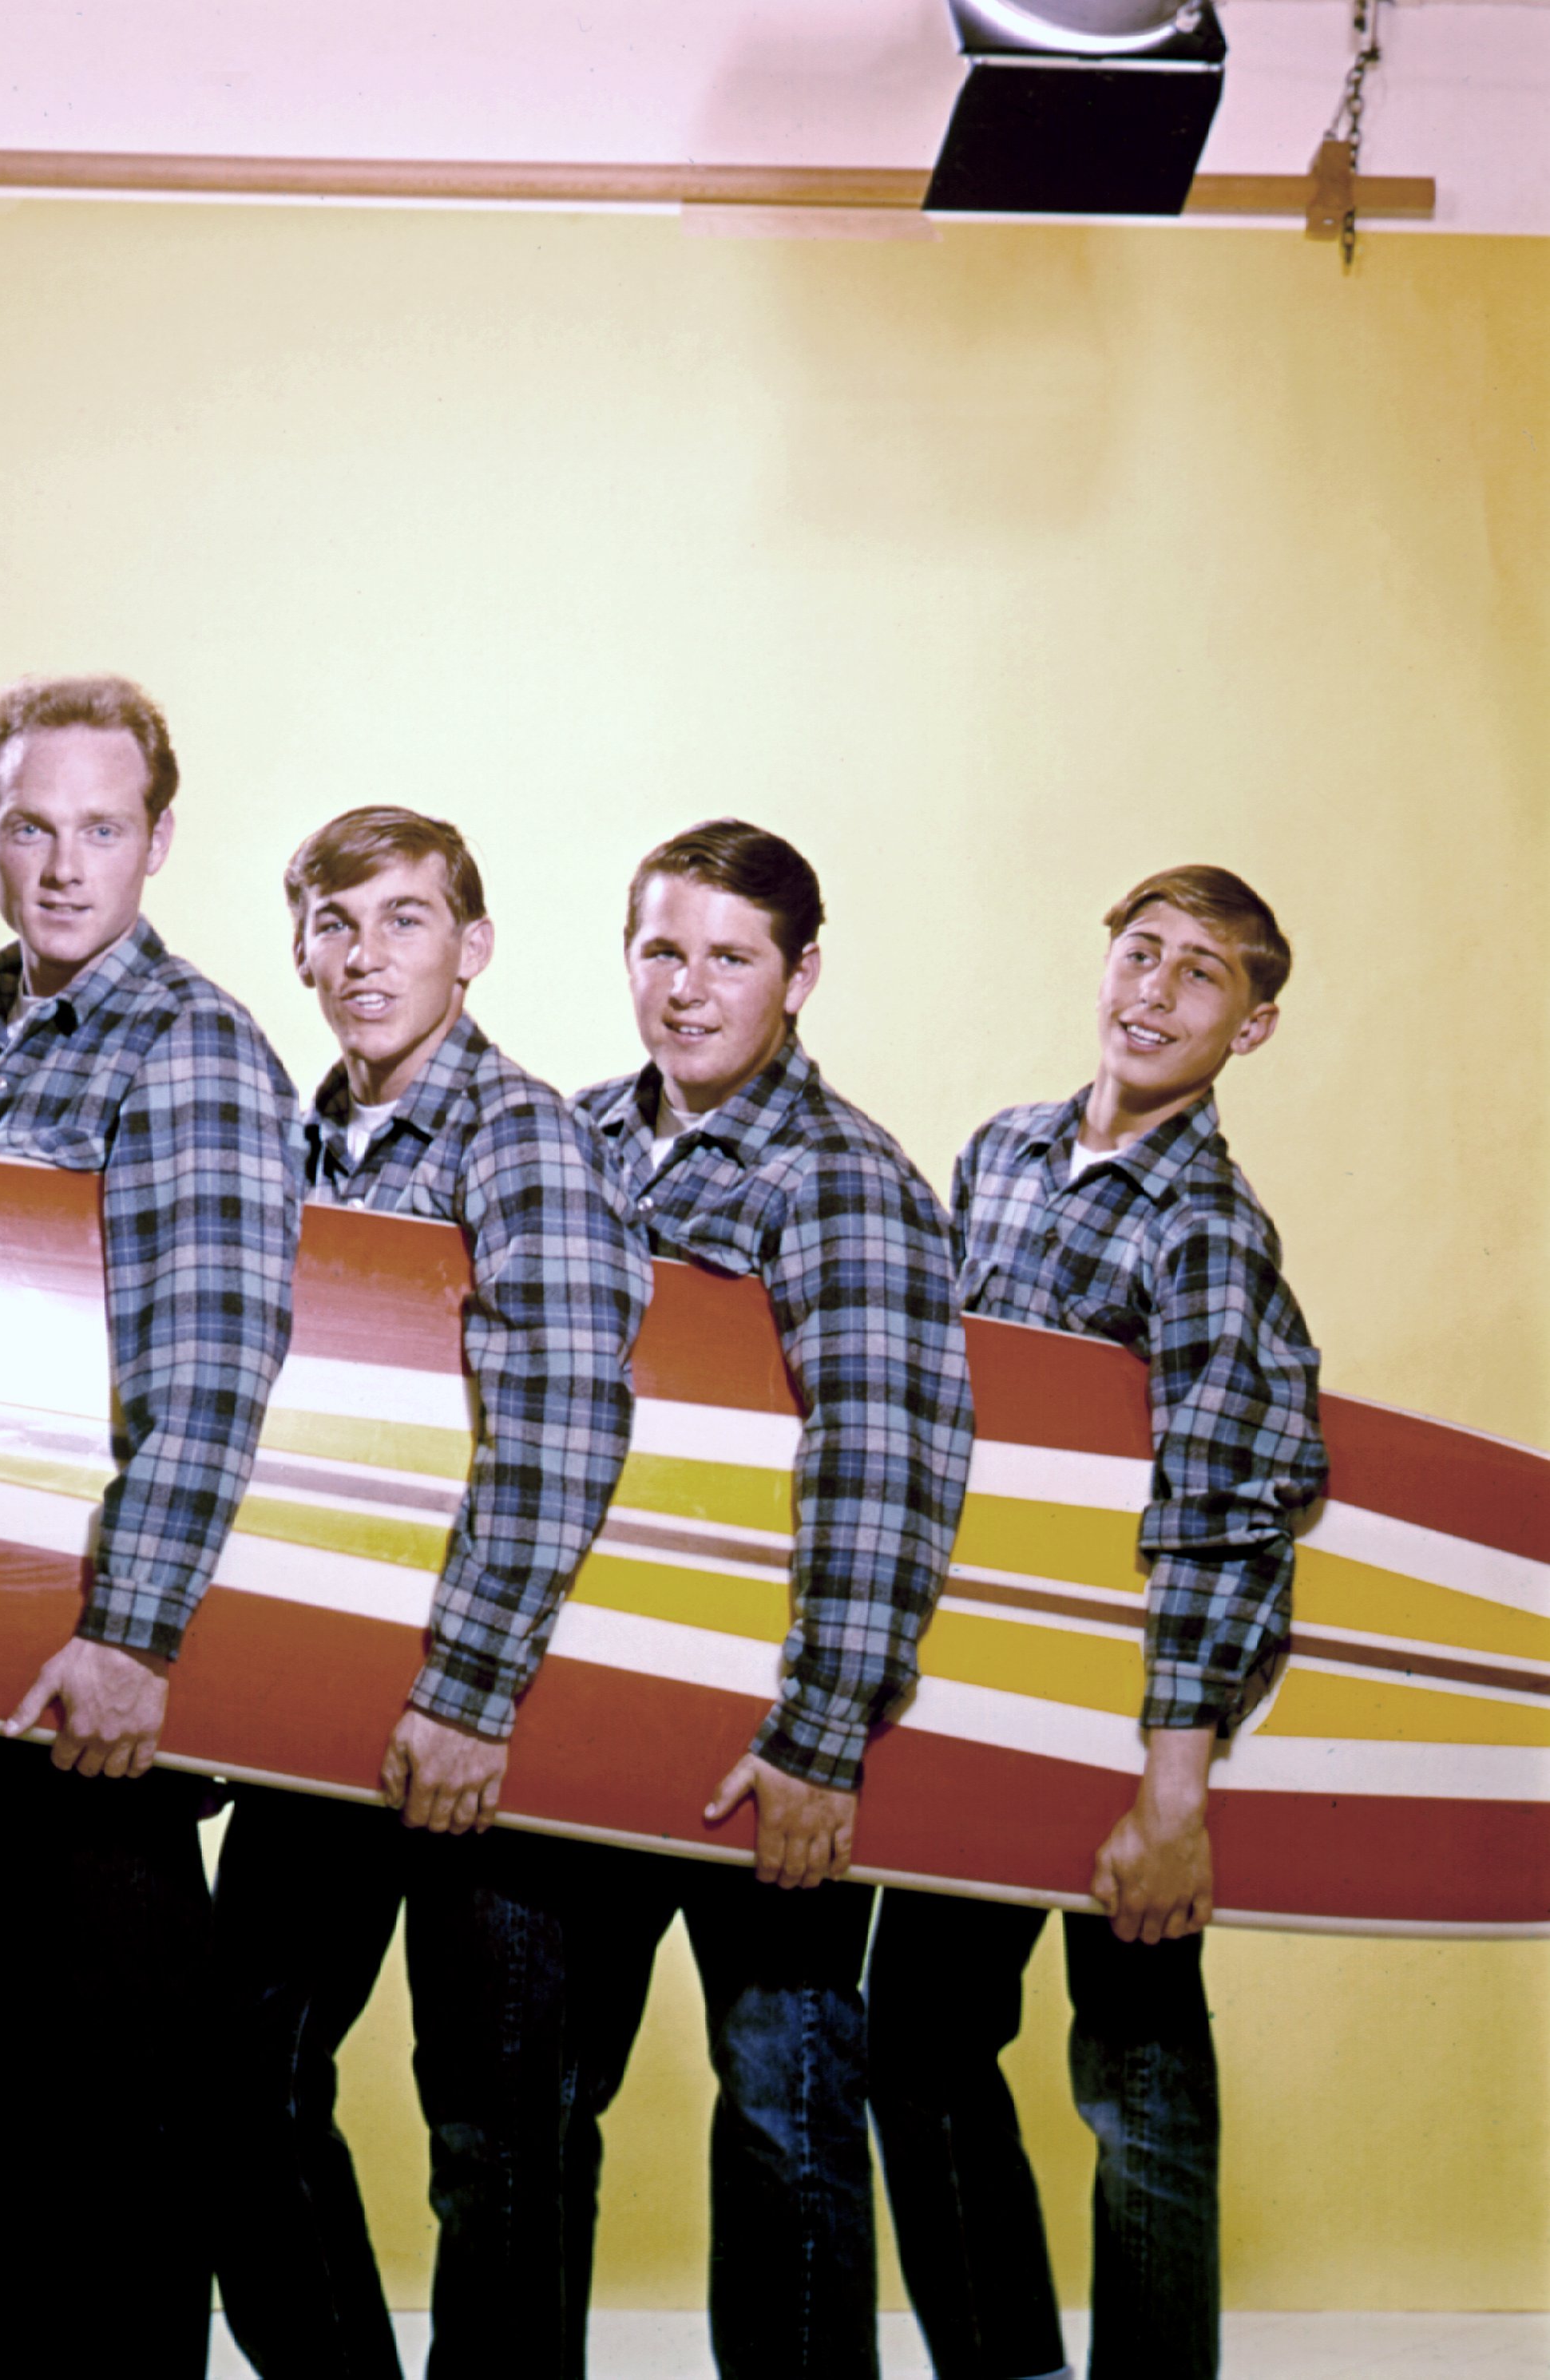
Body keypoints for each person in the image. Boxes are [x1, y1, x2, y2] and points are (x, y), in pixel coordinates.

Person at [0, 673, 301, 2375]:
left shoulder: (188, 1044)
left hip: (85, 1683)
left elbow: (210, 1363)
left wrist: (134, 1636)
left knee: (113, 2146)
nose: (64, 865)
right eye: (32, 826)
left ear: (159, 841)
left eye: (102, 829)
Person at [866, 865, 1327, 2380]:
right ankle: (1005, 2363)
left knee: (1138, 2078)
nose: (1154, 992)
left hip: (1136, 1710)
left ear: (1248, 1029)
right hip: (986, 1697)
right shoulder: (999, 1152)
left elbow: (1223, 1511)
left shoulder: (1208, 1229)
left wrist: (1172, 1790)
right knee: (921, 2041)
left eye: (1202, 976)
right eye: (1141, 953)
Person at [212, 807, 650, 2379]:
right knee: (231, 2077)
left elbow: (564, 1420)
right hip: (322, 1721)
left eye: (403, 921)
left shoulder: (521, 1138)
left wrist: (468, 1701)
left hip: (491, 1721)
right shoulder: (287, 1146)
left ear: (469, 947)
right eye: (335, 925)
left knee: (495, 2136)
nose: (363, 957)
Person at [567, 819, 973, 2380]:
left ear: (798, 977)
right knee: (536, 2104)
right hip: (586, 1724)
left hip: (763, 1743)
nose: (685, 989)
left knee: (789, 2112)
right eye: (662, 950)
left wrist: (821, 1740)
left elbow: (887, 1465)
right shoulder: (574, 1137)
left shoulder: (845, 1180)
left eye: (728, 958)